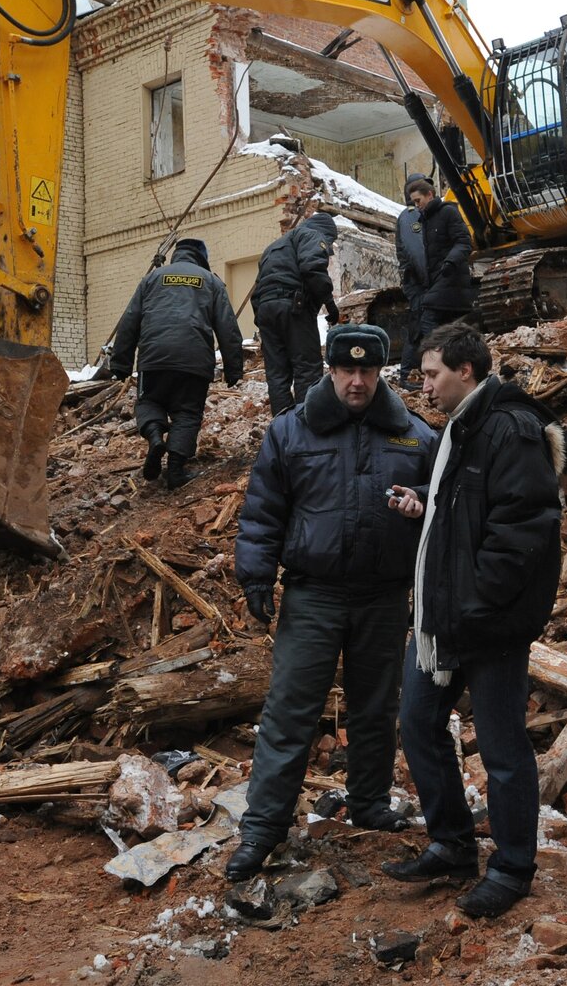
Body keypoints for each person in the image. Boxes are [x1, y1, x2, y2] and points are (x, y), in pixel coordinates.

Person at [226, 323, 439, 881]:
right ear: (331, 369)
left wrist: (421, 512)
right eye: (348, 369)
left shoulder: (416, 437)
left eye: (368, 371)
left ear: (382, 372)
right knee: (290, 712)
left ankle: (368, 804)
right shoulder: (291, 433)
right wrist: (255, 575)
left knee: (375, 708)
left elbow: (445, 514)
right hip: (313, 595)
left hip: (384, 596)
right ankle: (262, 829)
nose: (357, 381)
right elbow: (263, 511)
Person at [381, 322, 564, 919]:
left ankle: (512, 868)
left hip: (486, 624)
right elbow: (463, 522)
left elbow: (523, 532)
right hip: (443, 620)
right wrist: (421, 511)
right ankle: (453, 843)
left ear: (466, 370)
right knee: (418, 722)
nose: (425, 387)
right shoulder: (460, 431)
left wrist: (477, 604)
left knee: (503, 748)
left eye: (432, 374)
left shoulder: (510, 429)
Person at [110, 238, 244, 489]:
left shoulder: (152, 278)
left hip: (153, 359)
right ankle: (175, 470)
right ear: (202, 258)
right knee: (188, 413)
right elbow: (228, 327)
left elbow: (129, 320)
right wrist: (233, 368)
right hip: (194, 362)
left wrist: (121, 363)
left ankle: (154, 437)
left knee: (149, 401)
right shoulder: (211, 281)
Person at [251, 211, 340, 416]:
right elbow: (312, 268)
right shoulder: (311, 235)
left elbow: (257, 290)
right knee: (307, 367)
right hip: (293, 306)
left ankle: (283, 427)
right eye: (330, 241)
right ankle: (307, 424)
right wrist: (329, 302)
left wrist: (263, 319)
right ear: (326, 232)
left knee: (277, 374)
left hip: (266, 310)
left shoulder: (273, 248)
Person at [405, 174, 476, 340]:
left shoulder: (448, 212)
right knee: (447, 328)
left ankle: (438, 359)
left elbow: (465, 242)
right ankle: (450, 359)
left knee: (428, 321)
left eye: (418, 201)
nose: (417, 206)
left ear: (429, 195)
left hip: (451, 277)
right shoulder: (426, 220)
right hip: (439, 280)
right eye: (414, 202)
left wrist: (450, 262)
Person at [395, 176, 428, 390]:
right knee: (418, 325)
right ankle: (407, 374)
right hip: (418, 281)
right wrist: (429, 280)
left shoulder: (420, 214)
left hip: (421, 279)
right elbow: (418, 252)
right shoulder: (410, 216)